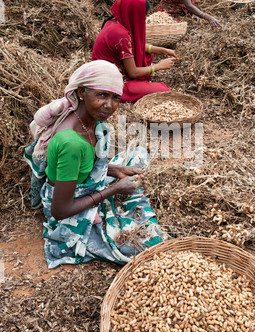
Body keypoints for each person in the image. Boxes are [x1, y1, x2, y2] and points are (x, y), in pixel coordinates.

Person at [24, 60, 169, 269]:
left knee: (138, 155)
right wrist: (114, 190)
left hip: (80, 185)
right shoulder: (71, 142)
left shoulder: (92, 121)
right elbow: (60, 210)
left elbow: (85, 167)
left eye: (115, 98)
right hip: (69, 213)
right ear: (82, 92)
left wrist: (116, 170)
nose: (109, 105)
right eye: (101, 95)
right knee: (148, 242)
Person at [91, 0, 179, 103]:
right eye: (143, 16)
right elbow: (132, 72)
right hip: (110, 83)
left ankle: (139, 84)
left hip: (106, 74)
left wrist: (162, 50)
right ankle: (128, 90)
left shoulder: (115, 21)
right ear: (135, 14)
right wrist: (158, 66)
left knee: (148, 53)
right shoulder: (120, 34)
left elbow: (134, 45)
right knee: (164, 90)